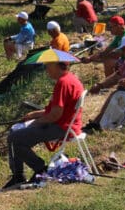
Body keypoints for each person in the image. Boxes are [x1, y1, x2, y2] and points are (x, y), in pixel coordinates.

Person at [5, 60, 84, 188]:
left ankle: (39, 170)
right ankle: (18, 176)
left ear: (56, 65)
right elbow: (54, 111)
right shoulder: (70, 78)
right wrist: (33, 115)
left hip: (62, 127)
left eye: (48, 65)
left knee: (13, 138)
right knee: (15, 132)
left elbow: (55, 115)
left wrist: (34, 123)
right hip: (67, 124)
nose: (46, 69)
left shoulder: (63, 83)